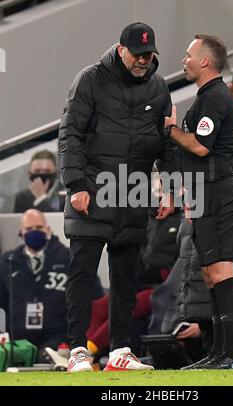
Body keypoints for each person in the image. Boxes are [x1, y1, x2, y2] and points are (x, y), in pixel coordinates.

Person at [58, 22, 176, 372]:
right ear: (121, 49)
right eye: (138, 54)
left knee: (126, 278)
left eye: (149, 54)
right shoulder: (90, 79)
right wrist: (75, 184)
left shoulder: (158, 87)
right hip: (92, 191)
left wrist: (167, 187)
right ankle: (78, 350)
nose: (144, 61)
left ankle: (121, 351)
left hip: (133, 194)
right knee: (82, 273)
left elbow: (166, 145)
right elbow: (70, 134)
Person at [164, 35, 233, 369]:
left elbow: (200, 146)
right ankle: (218, 352)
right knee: (210, 273)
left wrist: (170, 129)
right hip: (203, 193)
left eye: (188, 55)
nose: (184, 60)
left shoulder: (215, 97)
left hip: (216, 194)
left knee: (221, 271)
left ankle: (231, 355)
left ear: (205, 61)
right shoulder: (208, 97)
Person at [0, 210, 70, 362]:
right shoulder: (8, 263)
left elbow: (90, 297)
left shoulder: (67, 258)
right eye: (29, 229)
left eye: (39, 227)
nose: (34, 232)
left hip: (58, 339)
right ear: (21, 233)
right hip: (18, 342)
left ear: (48, 229)